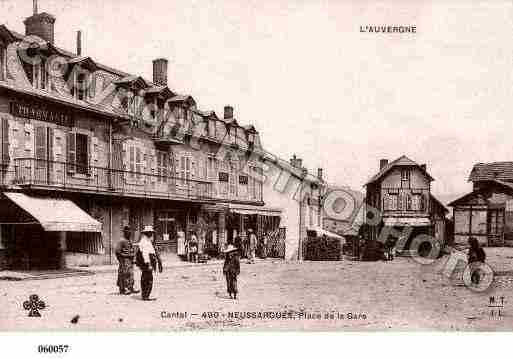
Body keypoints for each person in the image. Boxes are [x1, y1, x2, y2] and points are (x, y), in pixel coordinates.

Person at [135, 225, 163, 301]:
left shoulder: (147, 240)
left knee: (146, 278)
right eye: (150, 233)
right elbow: (145, 254)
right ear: (147, 233)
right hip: (146, 263)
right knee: (148, 279)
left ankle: (145, 295)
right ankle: (146, 295)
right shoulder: (145, 242)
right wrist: (148, 264)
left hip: (146, 263)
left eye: (151, 233)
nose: (151, 234)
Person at [115, 226, 139, 295]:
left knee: (130, 274)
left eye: (130, 232)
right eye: (128, 232)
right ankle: (123, 289)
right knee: (124, 274)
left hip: (130, 260)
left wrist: (133, 258)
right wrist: (122, 259)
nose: (130, 233)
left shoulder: (129, 240)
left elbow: (132, 249)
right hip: (124, 260)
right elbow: (117, 251)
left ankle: (130, 287)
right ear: (125, 233)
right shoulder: (121, 241)